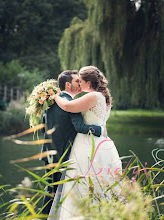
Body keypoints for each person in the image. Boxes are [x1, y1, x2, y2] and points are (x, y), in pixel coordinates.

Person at [48, 66, 122, 219]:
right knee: (98, 185)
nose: (79, 85)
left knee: (81, 185)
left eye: (80, 81)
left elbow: (68, 106)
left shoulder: (93, 96)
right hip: (102, 144)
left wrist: (55, 96)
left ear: (89, 83)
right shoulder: (103, 96)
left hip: (88, 146)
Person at [41, 70, 103, 216]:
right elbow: (80, 127)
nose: (80, 83)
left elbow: (44, 125)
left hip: (48, 153)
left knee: (51, 191)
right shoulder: (72, 105)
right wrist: (100, 129)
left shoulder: (49, 103)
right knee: (60, 194)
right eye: (77, 81)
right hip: (63, 156)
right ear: (68, 85)